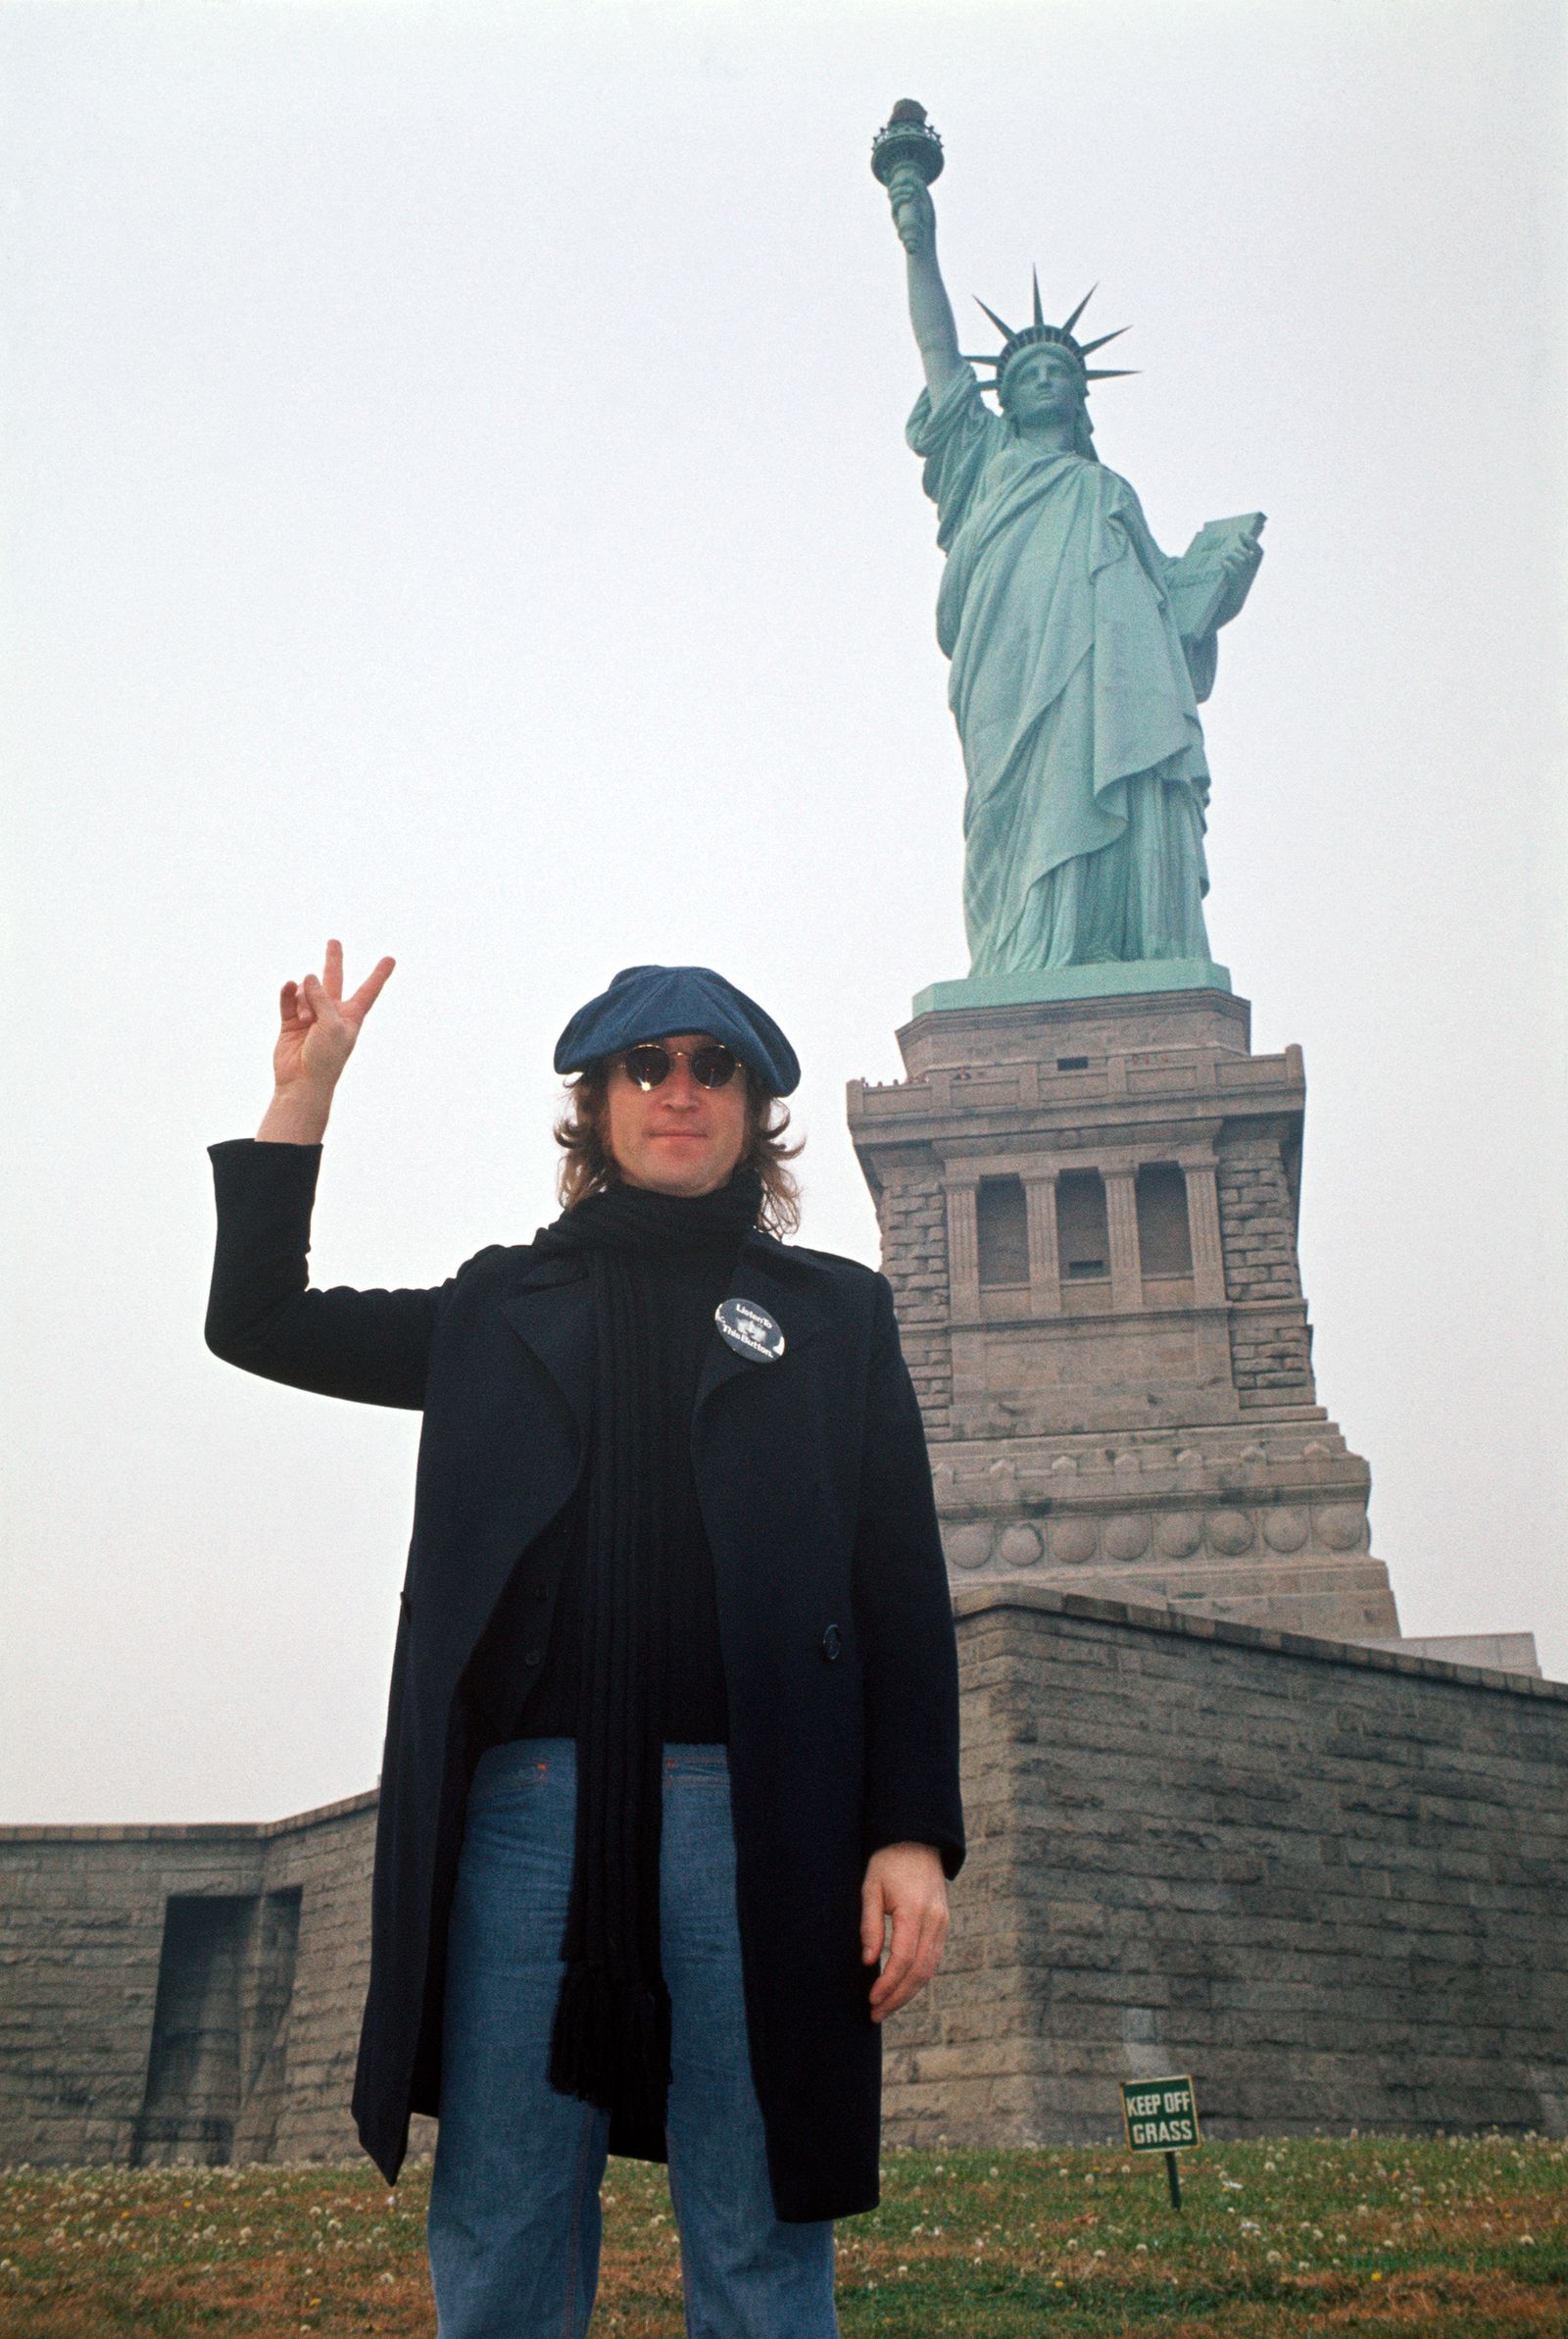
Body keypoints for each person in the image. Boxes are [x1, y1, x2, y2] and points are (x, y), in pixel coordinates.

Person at [205, 942, 964, 2339]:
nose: (681, 1090)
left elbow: (901, 1589)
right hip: (526, 1822)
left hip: (764, 1824)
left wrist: (910, 1831)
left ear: (752, 1107)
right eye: (648, 1064)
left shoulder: (836, 1317)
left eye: (713, 1066)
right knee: (501, 2236)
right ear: (599, 1101)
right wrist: (301, 1102)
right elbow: (257, 1321)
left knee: (760, 2238)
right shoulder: (502, 1306)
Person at [885, 161, 1263, 977]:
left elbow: (1167, 609)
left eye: (1059, 371)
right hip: (1012, 671)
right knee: (1012, 811)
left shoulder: (1106, 490)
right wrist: (920, 241)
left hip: (1113, 682)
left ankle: (1114, 938)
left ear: (1080, 397)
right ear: (1007, 400)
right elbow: (938, 349)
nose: (1045, 380)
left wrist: (1217, 583)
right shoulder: (981, 461)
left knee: (1111, 773)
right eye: (1026, 376)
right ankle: (1025, 957)